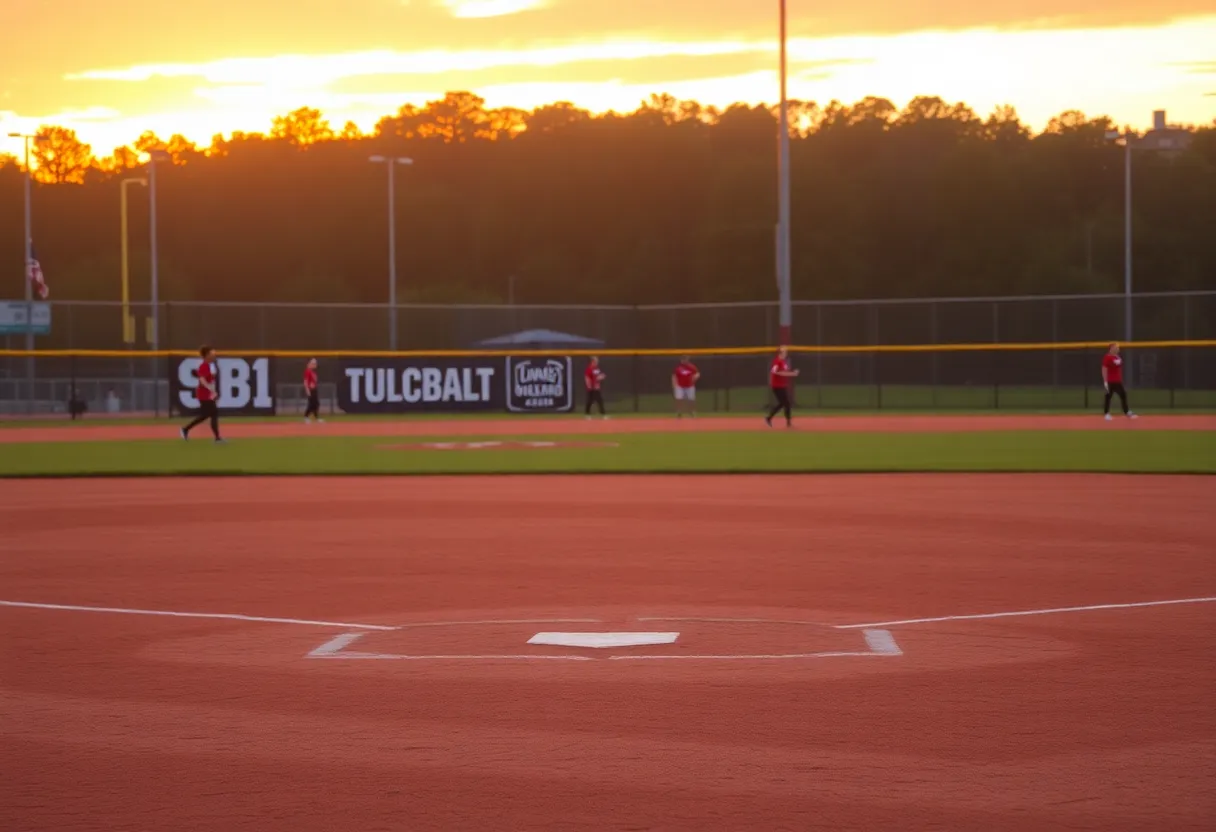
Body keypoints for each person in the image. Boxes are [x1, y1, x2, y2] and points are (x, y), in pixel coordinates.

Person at [180, 345, 223, 442]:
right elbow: (203, 381)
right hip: (203, 394)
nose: (214, 355)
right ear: (207, 355)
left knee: (206, 415)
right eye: (212, 353)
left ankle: (185, 429)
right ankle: (217, 438)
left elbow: (210, 380)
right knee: (213, 413)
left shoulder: (210, 365)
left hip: (208, 394)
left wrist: (213, 392)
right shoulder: (204, 366)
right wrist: (212, 391)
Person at [765, 346, 800, 428]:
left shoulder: (783, 362)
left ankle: (769, 418)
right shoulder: (777, 361)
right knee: (786, 404)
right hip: (777, 386)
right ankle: (788, 423)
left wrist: (793, 372)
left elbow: (785, 371)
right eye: (784, 351)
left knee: (782, 404)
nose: (786, 353)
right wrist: (792, 374)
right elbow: (774, 372)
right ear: (780, 353)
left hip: (782, 385)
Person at [1101, 343, 1137, 421]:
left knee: (1123, 395)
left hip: (1117, 381)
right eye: (1116, 348)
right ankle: (1106, 414)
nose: (1118, 349)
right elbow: (1104, 368)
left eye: (1118, 348)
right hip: (1110, 381)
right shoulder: (1107, 357)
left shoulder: (1117, 357)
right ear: (1111, 349)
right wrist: (1105, 381)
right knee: (1108, 397)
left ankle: (1127, 412)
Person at [303, 358, 323, 424]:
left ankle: (315, 417)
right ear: (309, 364)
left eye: (315, 363)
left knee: (316, 404)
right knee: (311, 404)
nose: (315, 365)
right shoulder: (307, 371)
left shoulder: (313, 372)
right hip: (311, 390)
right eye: (313, 363)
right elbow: (305, 381)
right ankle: (306, 417)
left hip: (314, 389)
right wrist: (307, 390)